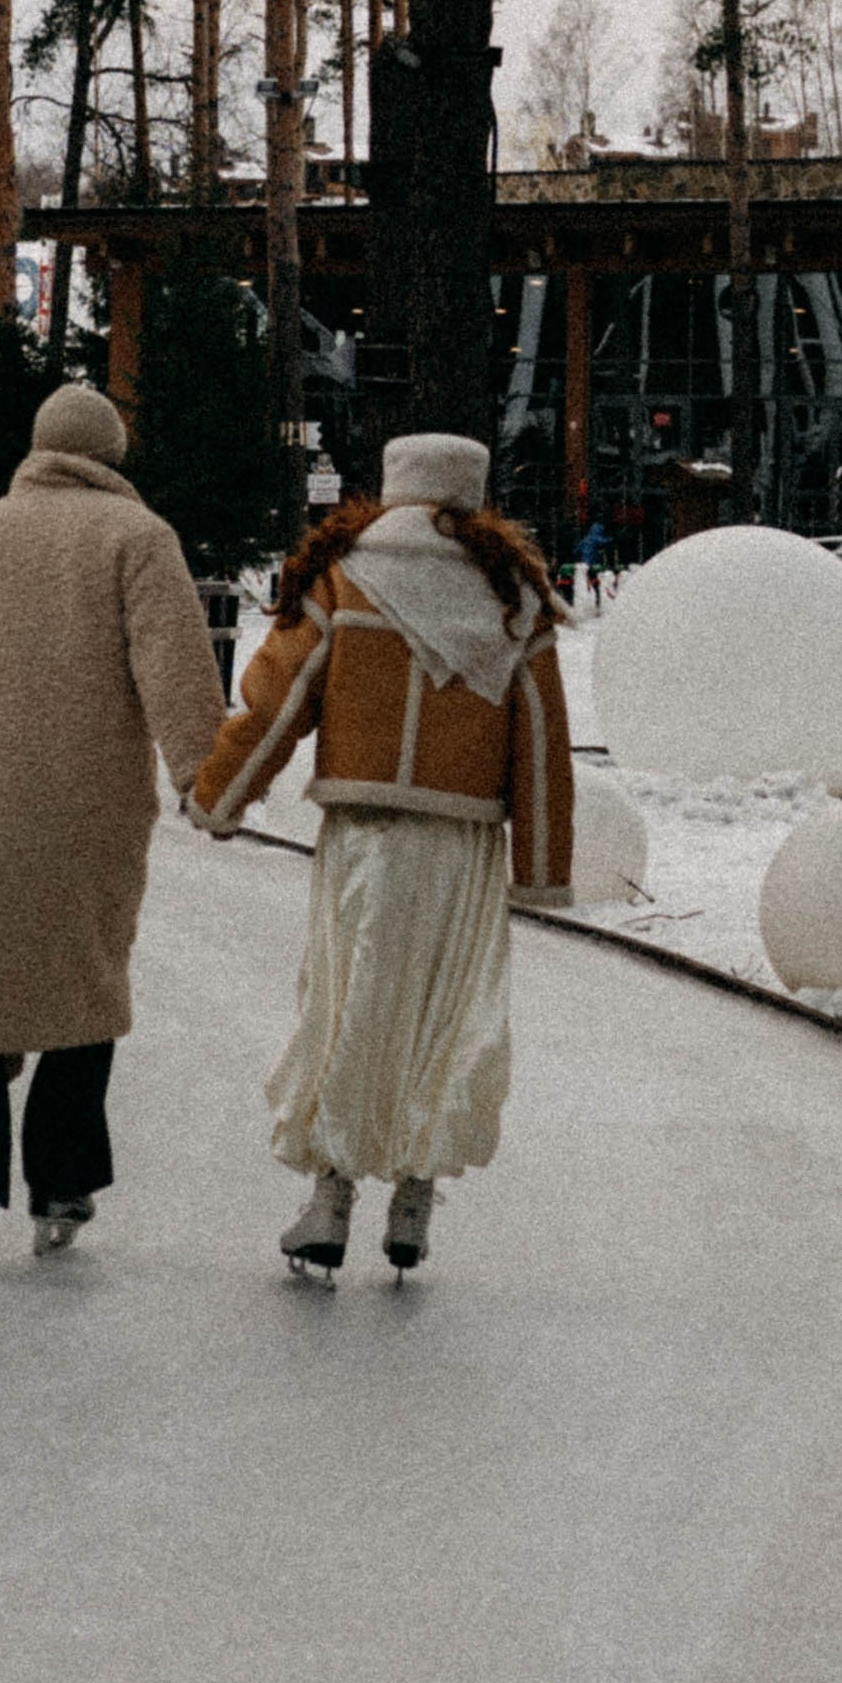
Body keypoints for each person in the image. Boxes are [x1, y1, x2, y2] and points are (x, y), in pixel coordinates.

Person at [188, 433, 573, 1282]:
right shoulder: (513, 595)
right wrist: (543, 867)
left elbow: (276, 700)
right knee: (441, 1017)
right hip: (461, 843)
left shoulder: (343, 576)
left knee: (348, 1005)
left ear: (391, 486)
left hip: (362, 833)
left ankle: (328, 1200)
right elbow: (543, 742)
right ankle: (413, 1201)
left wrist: (220, 795)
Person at [0, 384, 227, 1264]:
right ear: (111, 454)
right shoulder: (137, 539)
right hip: (86, 808)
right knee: (81, 989)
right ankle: (62, 1185)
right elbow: (176, 669)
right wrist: (205, 779)